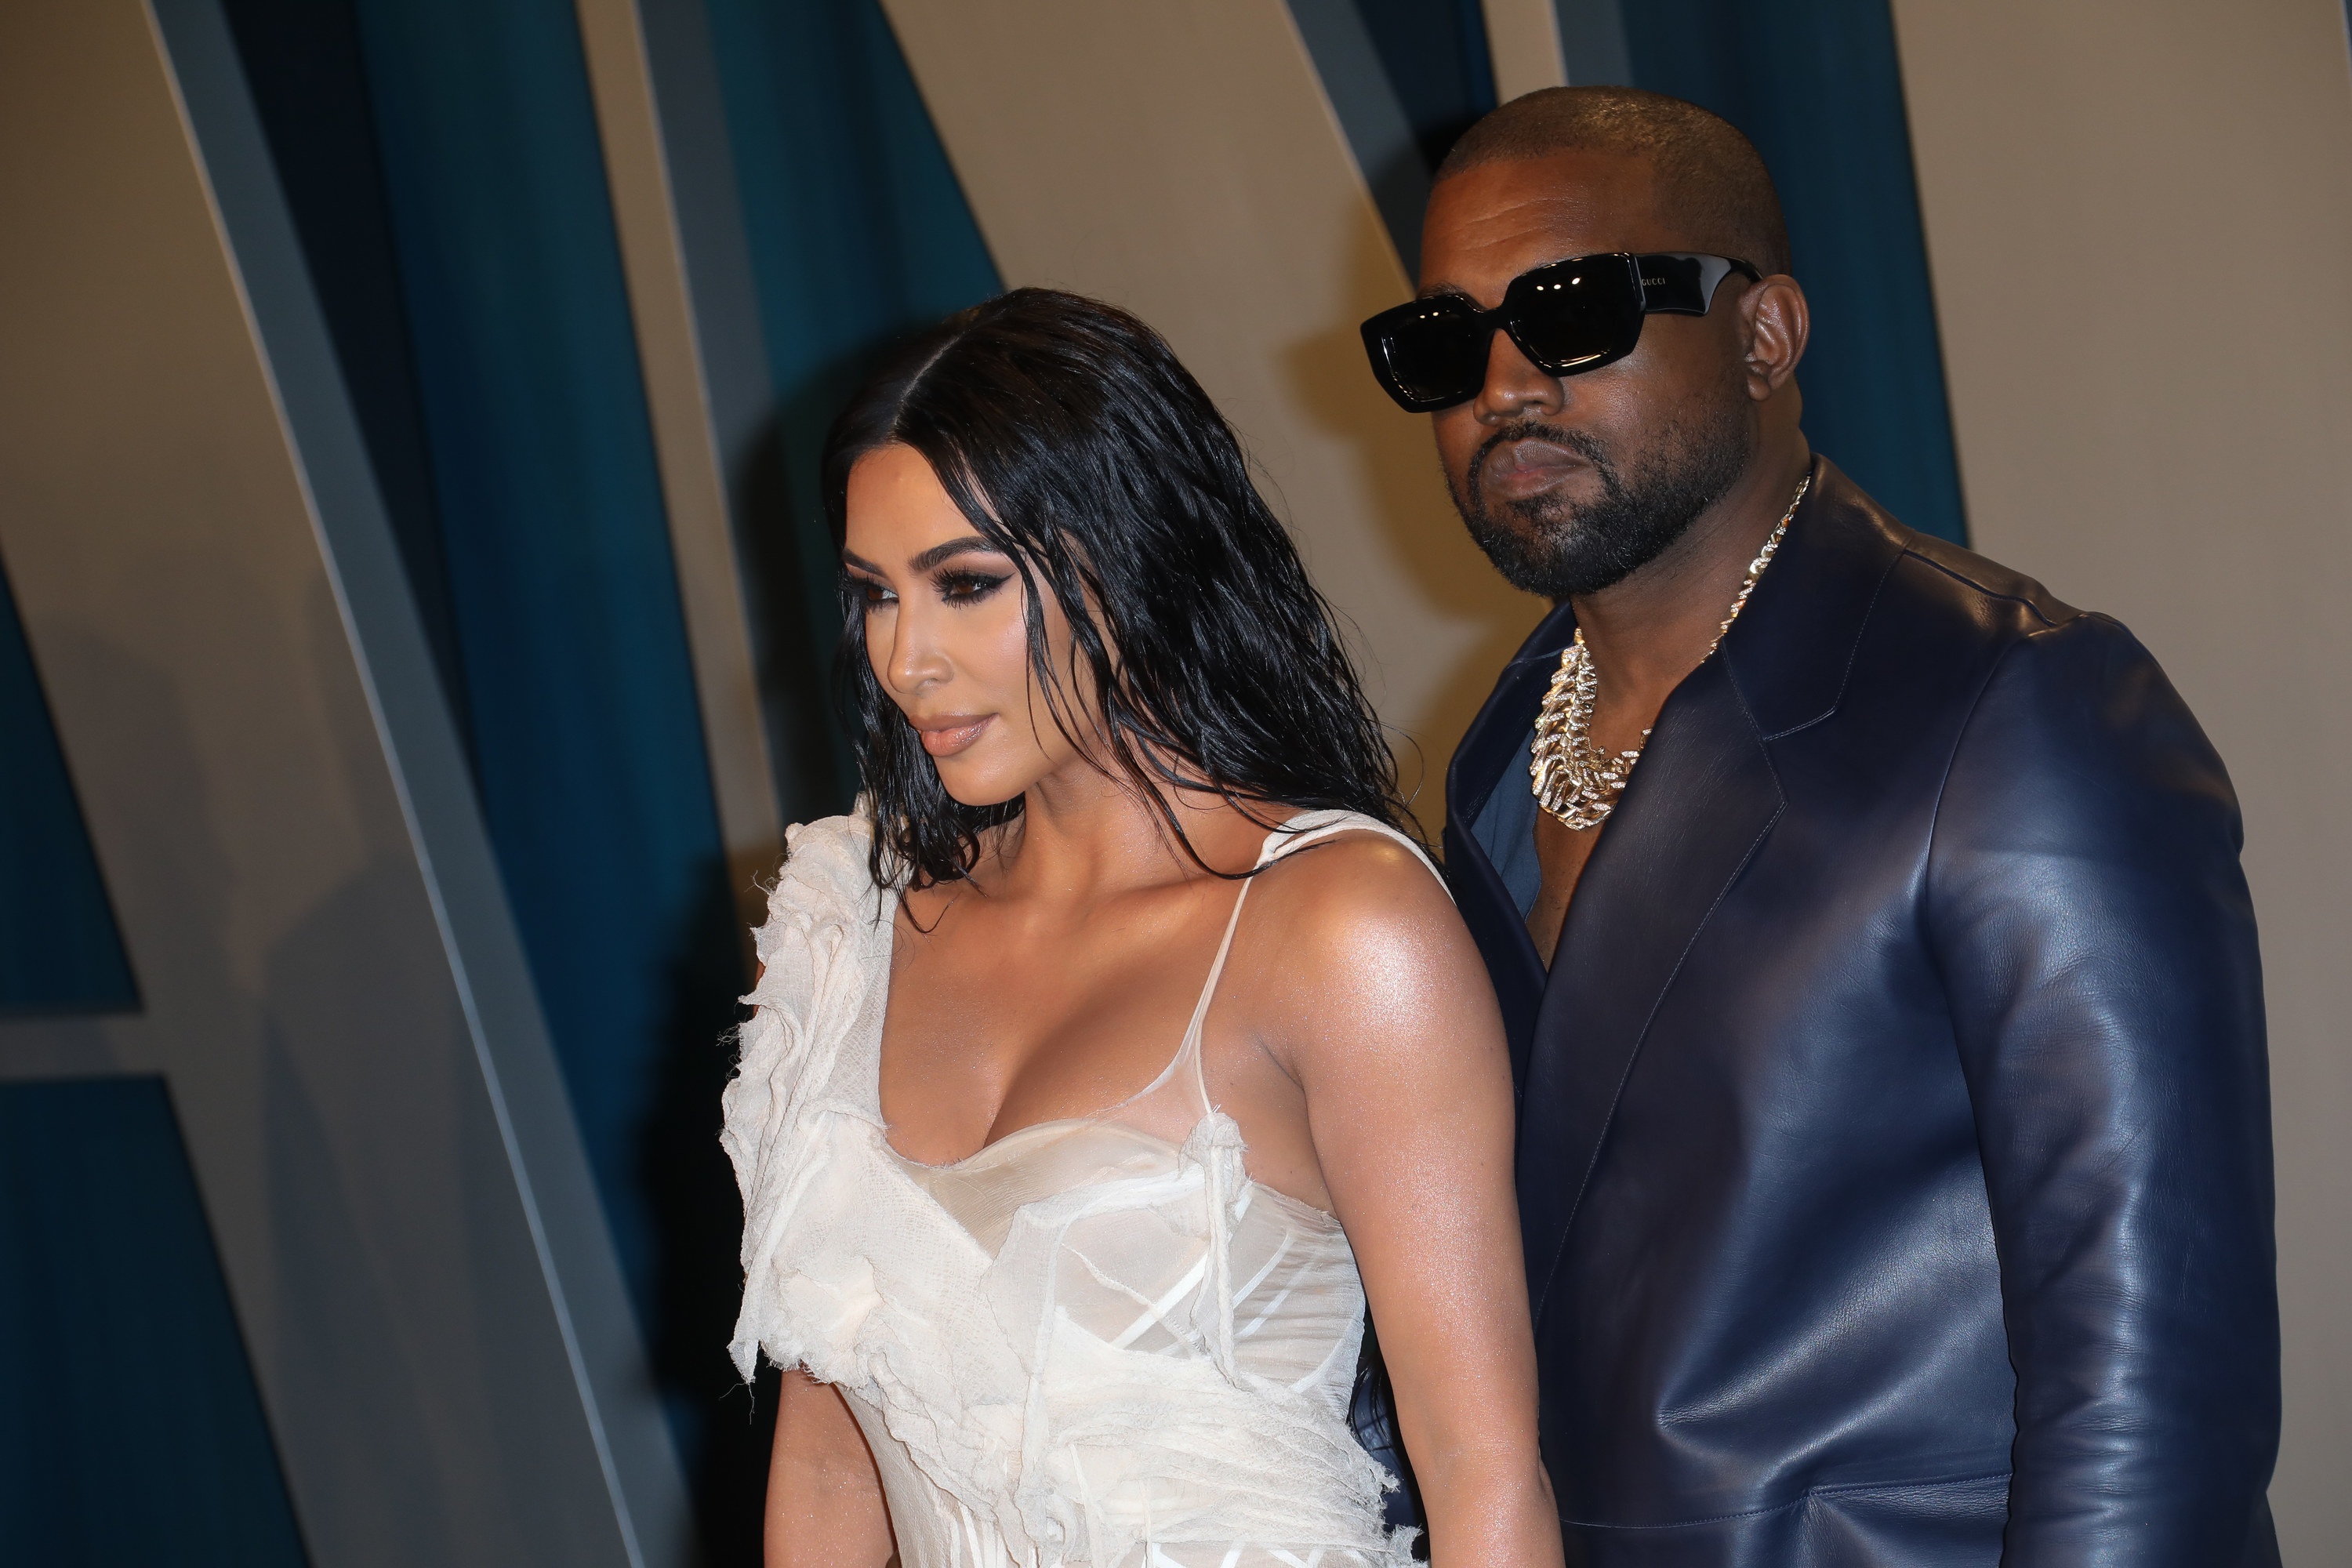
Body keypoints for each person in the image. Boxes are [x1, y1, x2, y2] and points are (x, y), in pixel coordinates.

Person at [1357, 86, 2281, 1563]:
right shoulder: (1488, 763)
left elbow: (2158, 1390)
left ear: (1766, 335)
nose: (1503, 384)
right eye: (1442, 341)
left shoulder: (2014, 707)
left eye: (1574, 308)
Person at [723, 289, 1561, 1568]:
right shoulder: (849, 932)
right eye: (876, 596)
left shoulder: (1336, 927)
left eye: (963, 585)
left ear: (1128, 555)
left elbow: (1484, 1479)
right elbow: (830, 1465)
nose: (907, 662)